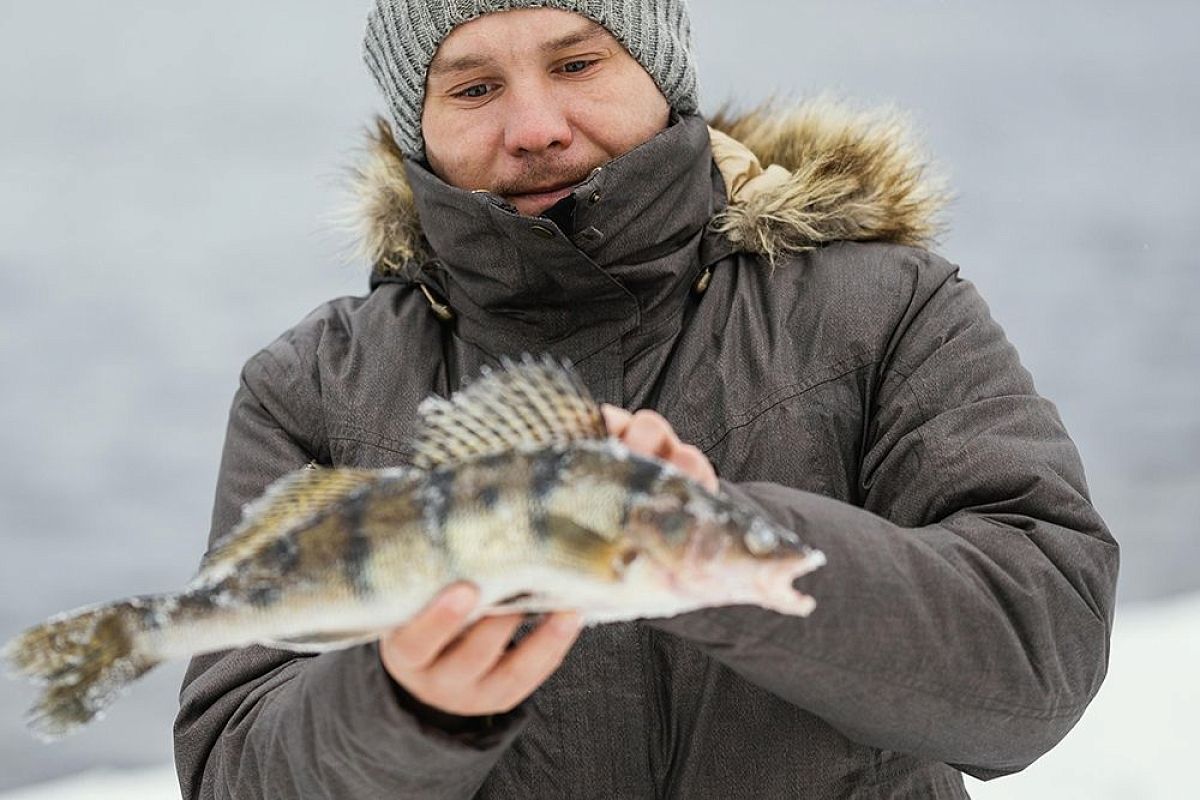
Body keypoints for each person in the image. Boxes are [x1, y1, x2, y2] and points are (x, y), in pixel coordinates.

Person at [173, 1, 1119, 797]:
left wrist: (721, 548)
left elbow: (1040, 660)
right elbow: (233, 762)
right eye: (473, 87)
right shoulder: (309, 388)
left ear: (662, 74)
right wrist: (398, 705)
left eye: (578, 61)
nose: (535, 125)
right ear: (415, 123)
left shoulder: (887, 306)